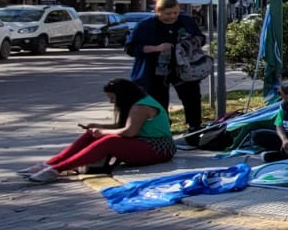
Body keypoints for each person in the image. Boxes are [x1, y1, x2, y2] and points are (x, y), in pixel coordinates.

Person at [23, 78, 175, 182]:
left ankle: (58, 169)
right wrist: (98, 127)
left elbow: (129, 132)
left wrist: (103, 132)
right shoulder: (137, 103)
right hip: (145, 143)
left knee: (109, 140)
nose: (111, 102)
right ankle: (51, 163)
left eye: (113, 99)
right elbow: (124, 127)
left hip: (158, 148)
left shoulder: (140, 107)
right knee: (93, 133)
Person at [124, 0, 205, 131]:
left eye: (176, 13)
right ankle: (163, 128)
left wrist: (191, 42)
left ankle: (194, 127)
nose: (172, 16)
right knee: (158, 102)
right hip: (154, 70)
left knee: (191, 96)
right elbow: (131, 48)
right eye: (168, 13)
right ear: (158, 12)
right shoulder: (145, 25)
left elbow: (201, 38)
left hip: (183, 68)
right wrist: (157, 48)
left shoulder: (186, 21)